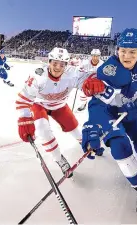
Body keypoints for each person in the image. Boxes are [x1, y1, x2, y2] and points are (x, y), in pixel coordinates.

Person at [81, 28, 137, 220]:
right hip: (110, 112)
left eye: (132, 52)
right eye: (123, 51)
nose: (126, 56)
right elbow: (97, 103)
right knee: (120, 147)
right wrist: (93, 124)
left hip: (133, 110)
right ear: (116, 50)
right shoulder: (108, 70)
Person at [16, 47, 105, 178]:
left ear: (66, 65)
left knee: (74, 128)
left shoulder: (72, 74)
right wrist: (24, 119)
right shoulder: (38, 76)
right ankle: (59, 159)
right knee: (42, 130)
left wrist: (93, 84)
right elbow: (23, 99)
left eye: (62, 64)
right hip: (39, 105)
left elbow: (86, 82)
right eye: (55, 63)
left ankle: (86, 143)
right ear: (49, 62)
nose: (58, 67)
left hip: (60, 106)